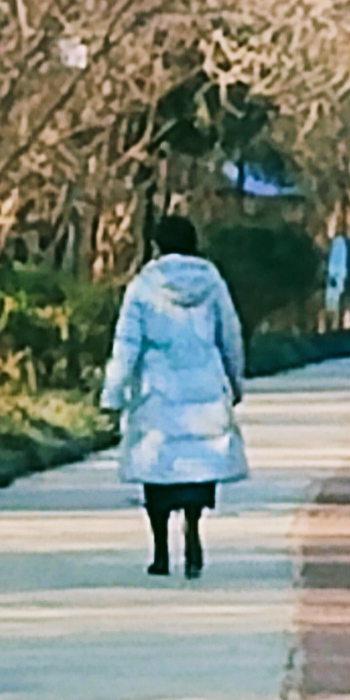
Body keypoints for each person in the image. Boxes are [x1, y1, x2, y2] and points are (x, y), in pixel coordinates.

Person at [100, 213, 248, 579]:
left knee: (159, 472)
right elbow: (230, 334)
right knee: (196, 469)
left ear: (157, 245)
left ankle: (161, 551)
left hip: (157, 391)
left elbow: (127, 343)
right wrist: (235, 380)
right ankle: (194, 531)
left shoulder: (143, 286)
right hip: (203, 387)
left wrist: (113, 392)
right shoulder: (212, 281)